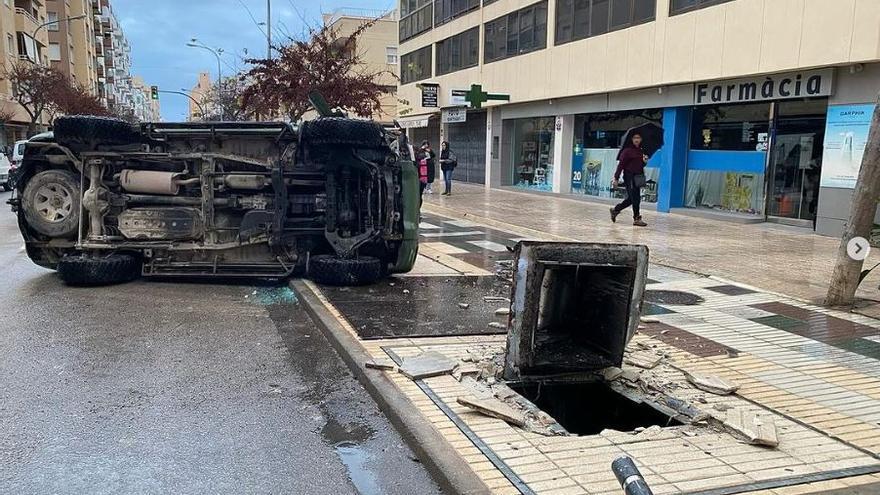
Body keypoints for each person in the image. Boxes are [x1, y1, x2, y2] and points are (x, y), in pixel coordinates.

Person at [610, 133, 649, 227]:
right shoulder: (627, 151)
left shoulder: (641, 151)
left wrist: (644, 161)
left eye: (638, 138)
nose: (637, 140)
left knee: (633, 199)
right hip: (629, 176)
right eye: (635, 138)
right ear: (631, 139)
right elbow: (621, 165)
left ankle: (615, 210)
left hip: (639, 176)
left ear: (641, 139)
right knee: (634, 198)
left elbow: (639, 165)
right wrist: (616, 178)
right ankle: (637, 218)